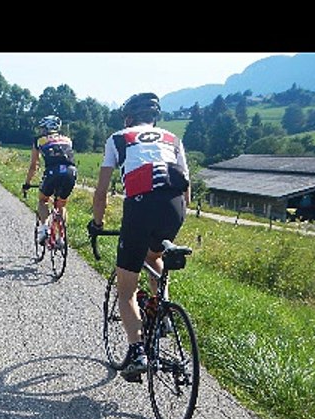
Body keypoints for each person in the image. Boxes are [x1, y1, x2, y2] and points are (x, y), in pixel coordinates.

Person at [88, 93, 191, 381]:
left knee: (126, 289)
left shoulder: (118, 138)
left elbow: (101, 192)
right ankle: (163, 308)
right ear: (155, 118)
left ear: (129, 118)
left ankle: (136, 352)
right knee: (154, 255)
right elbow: (187, 190)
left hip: (140, 205)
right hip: (175, 207)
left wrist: (98, 223)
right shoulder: (173, 138)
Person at [22, 115, 77, 246]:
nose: (40, 131)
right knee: (61, 204)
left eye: (42, 128)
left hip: (53, 172)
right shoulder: (67, 140)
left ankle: (44, 230)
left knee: (43, 200)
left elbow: (34, 165)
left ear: (47, 128)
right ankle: (61, 237)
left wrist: (27, 183)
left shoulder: (39, 140)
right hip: (71, 172)